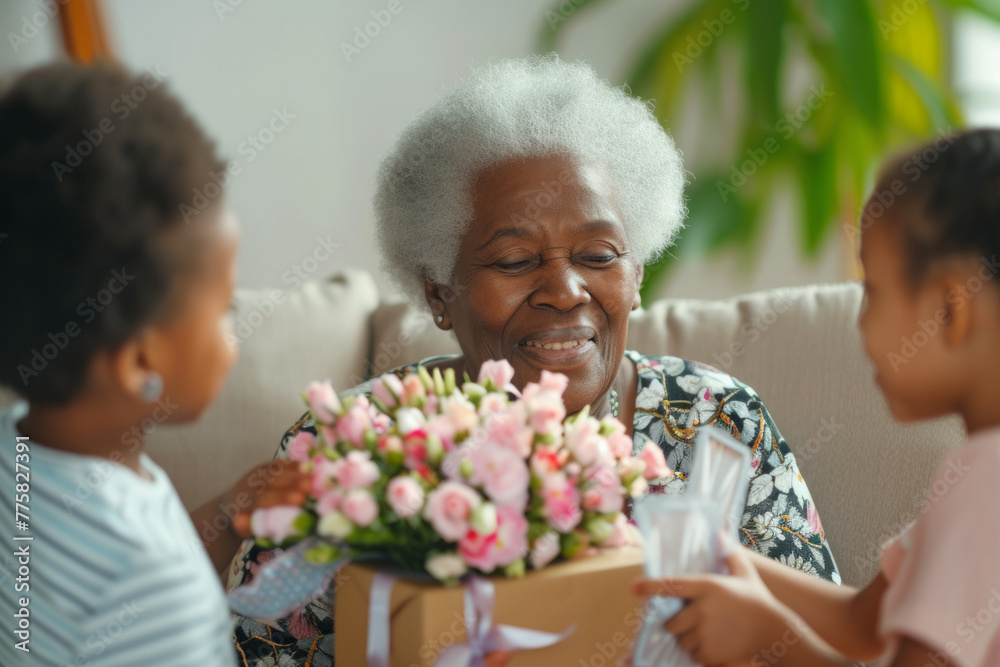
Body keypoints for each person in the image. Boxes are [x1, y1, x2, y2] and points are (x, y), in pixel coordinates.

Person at [229, 54, 839, 666]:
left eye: (599, 255)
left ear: (637, 274)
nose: (566, 290)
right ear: (440, 292)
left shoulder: (722, 422)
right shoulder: (353, 448)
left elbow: (825, 644)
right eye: (515, 262)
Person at [633, 129, 1000, 666]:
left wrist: (767, 638)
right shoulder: (975, 477)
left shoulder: (985, 486)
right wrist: (714, 555)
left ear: (950, 309)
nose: (861, 323)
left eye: (872, 291)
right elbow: (862, 622)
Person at [0, 63, 307, 666]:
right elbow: (136, 590)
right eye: (222, 310)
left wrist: (224, 519)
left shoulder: (20, 452)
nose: (232, 334)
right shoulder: (163, 590)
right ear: (141, 359)